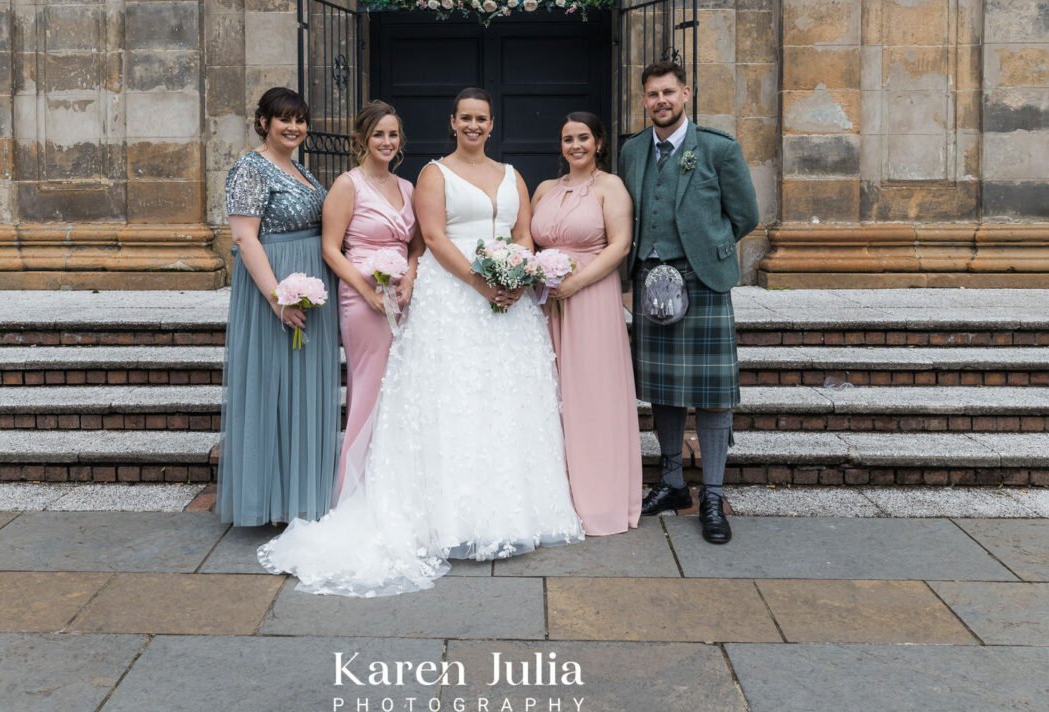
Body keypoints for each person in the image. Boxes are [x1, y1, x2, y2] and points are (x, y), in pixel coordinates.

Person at [258, 87, 583, 595]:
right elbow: (431, 239)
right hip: (455, 298)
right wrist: (481, 283)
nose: (473, 126)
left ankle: (507, 511)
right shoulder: (433, 175)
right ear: (452, 123)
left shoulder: (512, 175)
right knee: (451, 400)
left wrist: (516, 275)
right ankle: (446, 515)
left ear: (492, 124)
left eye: (482, 119)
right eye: (465, 119)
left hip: (508, 301)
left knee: (503, 401)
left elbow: (523, 234)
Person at [618, 61, 759, 544]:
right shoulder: (633, 151)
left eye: (668, 93)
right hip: (649, 280)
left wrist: (707, 252)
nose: (661, 101)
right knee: (664, 389)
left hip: (701, 281)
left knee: (714, 394)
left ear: (686, 94)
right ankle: (674, 482)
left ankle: (713, 495)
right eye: (652, 94)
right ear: (644, 100)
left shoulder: (718, 148)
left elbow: (745, 215)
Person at [219, 88, 341, 526]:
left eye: (300, 120)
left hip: (311, 287)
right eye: (284, 119)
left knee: (305, 392)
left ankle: (301, 494)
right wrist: (277, 300)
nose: (294, 127)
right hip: (277, 287)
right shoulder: (249, 168)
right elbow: (245, 238)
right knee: (275, 389)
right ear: (264, 122)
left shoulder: (299, 168)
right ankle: (269, 501)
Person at [531, 112, 642, 536]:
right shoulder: (544, 189)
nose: (575, 146)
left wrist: (574, 282)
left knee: (591, 393)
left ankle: (599, 501)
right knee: (550, 392)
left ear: (598, 142)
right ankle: (554, 495)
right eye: (567, 139)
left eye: (582, 138)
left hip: (591, 296)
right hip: (544, 302)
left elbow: (619, 245)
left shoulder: (610, 187)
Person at [320, 101, 423, 499]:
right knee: (369, 385)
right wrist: (366, 292)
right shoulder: (348, 185)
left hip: (402, 296)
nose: (386, 141)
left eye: (392, 134)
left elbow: (416, 247)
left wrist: (411, 278)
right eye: (378, 134)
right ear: (361, 139)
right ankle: (354, 489)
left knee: (400, 386)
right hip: (362, 298)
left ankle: (393, 484)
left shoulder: (408, 188)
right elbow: (332, 250)